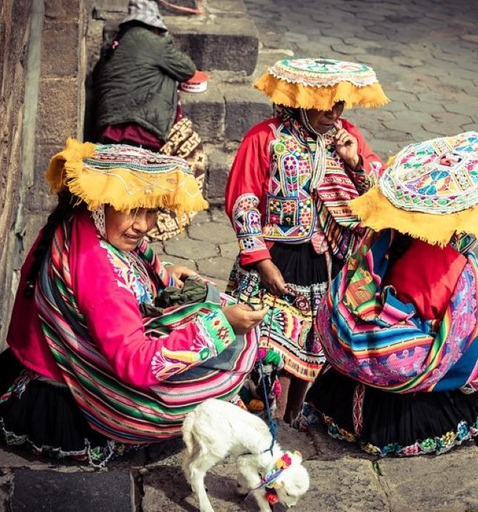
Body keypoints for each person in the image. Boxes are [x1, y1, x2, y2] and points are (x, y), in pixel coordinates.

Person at [299, 132, 478, 456]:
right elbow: (467, 341)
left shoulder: (386, 240)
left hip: (350, 388)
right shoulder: (455, 266)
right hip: (406, 411)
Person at [0, 140, 266, 466]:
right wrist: (221, 325)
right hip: (61, 394)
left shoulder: (83, 222)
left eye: (151, 210)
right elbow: (138, 365)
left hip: (32, 358)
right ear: (103, 203)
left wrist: (164, 274)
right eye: (131, 210)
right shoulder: (101, 274)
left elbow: (133, 264)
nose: (142, 225)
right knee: (217, 340)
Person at [225, 58, 388, 423]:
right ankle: (269, 418)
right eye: (323, 105)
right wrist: (261, 260)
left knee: (313, 344)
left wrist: (355, 162)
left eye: (339, 104)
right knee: (272, 345)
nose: (333, 112)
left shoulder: (348, 136)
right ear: (301, 101)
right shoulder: (265, 138)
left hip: (327, 259)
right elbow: (243, 200)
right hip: (276, 255)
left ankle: (294, 416)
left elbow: (377, 197)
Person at [92, 0, 205, 241]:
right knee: (136, 184)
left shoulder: (118, 44)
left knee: (122, 179)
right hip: (138, 123)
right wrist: (167, 43)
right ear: (154, 26)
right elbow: (186, 68)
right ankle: (132, 231)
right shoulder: (152, 40)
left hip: (108, 123)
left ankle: (114, 226)